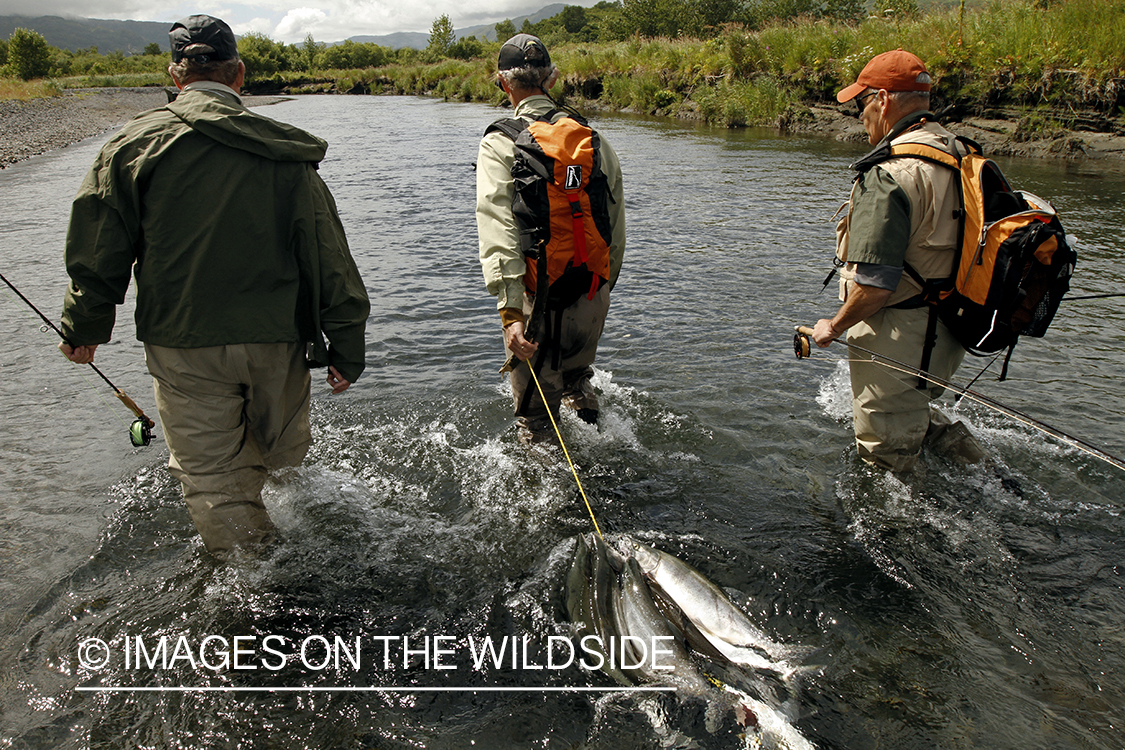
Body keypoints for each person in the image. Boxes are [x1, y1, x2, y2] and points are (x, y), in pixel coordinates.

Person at [58, 14, 371, 556]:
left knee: (214, 482)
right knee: (285, 468)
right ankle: (305, 559)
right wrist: (347, 342)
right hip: (280, 341)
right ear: (240, 75)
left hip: (183, 345)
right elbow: (328, 253)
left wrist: (85, 325)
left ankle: (257, 582)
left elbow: (100, 247)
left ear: (175, 77)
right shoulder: (285, 150)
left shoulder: (132, 147)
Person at [811, 49, 984, 472]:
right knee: (916, 409)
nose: (859, 115)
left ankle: (902, 533)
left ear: (883, 100)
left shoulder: (890, 174)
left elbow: (874, 285)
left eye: (860, 103)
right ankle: (987, 473)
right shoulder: (962, 154)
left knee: (884, 461)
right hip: (949, 331)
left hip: (900, 338)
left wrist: (832, 327)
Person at [476, 34, 626, 444]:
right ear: (553, 79)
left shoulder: (499, 142)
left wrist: (511, 312)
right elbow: (616, 225)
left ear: (503, 84)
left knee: (536, 420)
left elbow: (497, 228)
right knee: (578, 380)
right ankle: (606, 448)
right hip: (591, 292)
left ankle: (555, 504)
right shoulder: (592, 138)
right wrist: (601, 287)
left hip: (535, 299)